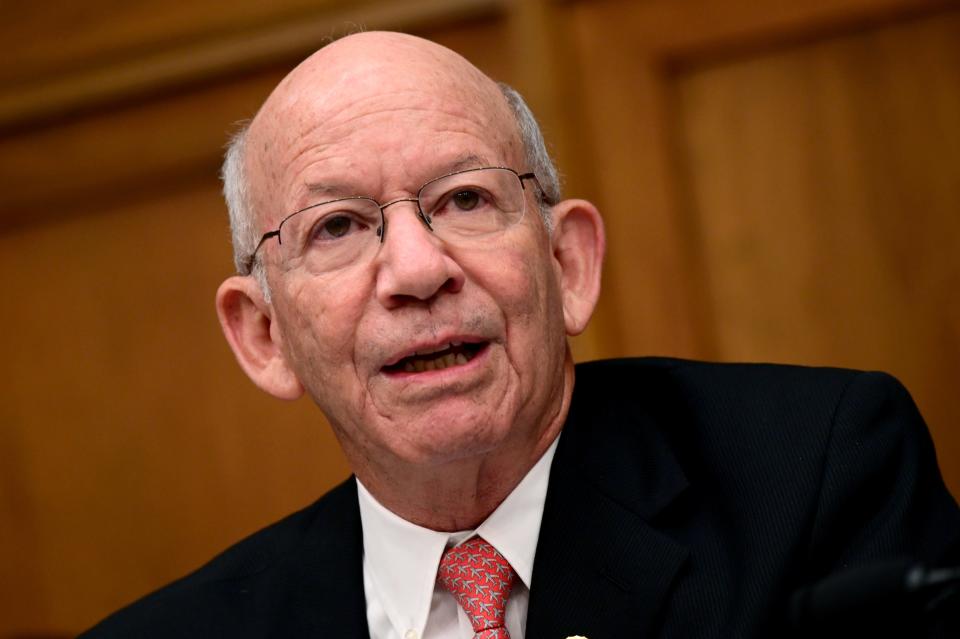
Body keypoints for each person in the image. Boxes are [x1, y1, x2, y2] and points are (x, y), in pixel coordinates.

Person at [82, 31, 959, 638]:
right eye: (338, 227)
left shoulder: (820, 476)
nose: (418, 269)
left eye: (466, 199)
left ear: (568, 263)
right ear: (264, 334)